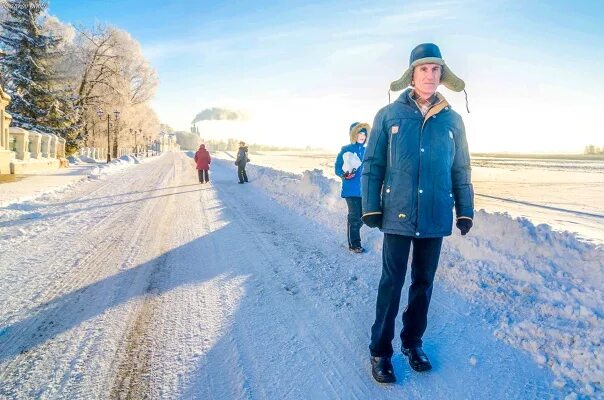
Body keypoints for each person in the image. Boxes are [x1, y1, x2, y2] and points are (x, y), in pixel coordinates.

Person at [361, 43, 474, 384]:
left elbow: (461, 167)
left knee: (423, 284)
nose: (429, 75)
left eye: (435, 69)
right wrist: (370, 205)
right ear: (412, 75)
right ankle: (381, 350)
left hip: (436, 213)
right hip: (397, 213)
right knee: (391, 283)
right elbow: (373, 163)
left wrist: (464, 209)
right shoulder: (389, 115)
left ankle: (412, 342)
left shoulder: (453, 120)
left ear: (442, 76)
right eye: (423, 69)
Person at [334, 122, 370, 253]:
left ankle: (353, 228)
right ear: (353, 135)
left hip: (364, 190)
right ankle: (354, 244)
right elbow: (337, 167)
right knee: (355, 215)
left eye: (364, 134)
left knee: (363, 216)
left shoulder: (367, 151)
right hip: (350, 189)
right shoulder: (346, 149)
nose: (362, 136)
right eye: (359, 133)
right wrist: (344, 174)